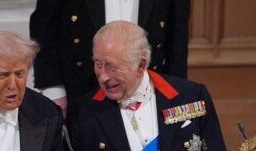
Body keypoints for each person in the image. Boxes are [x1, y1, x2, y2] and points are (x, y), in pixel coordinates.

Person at [68, 21, 231, 151]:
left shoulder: (191, 96)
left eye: (112, 67)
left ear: (141, 65)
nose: (103, 76)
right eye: (98, 64)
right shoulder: (83, 112)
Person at [30, 0, 190, 117]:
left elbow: (178, 34)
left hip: (147, 86)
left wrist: (174, 91)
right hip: (81, 87)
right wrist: (53, 89)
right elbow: (44, 25)